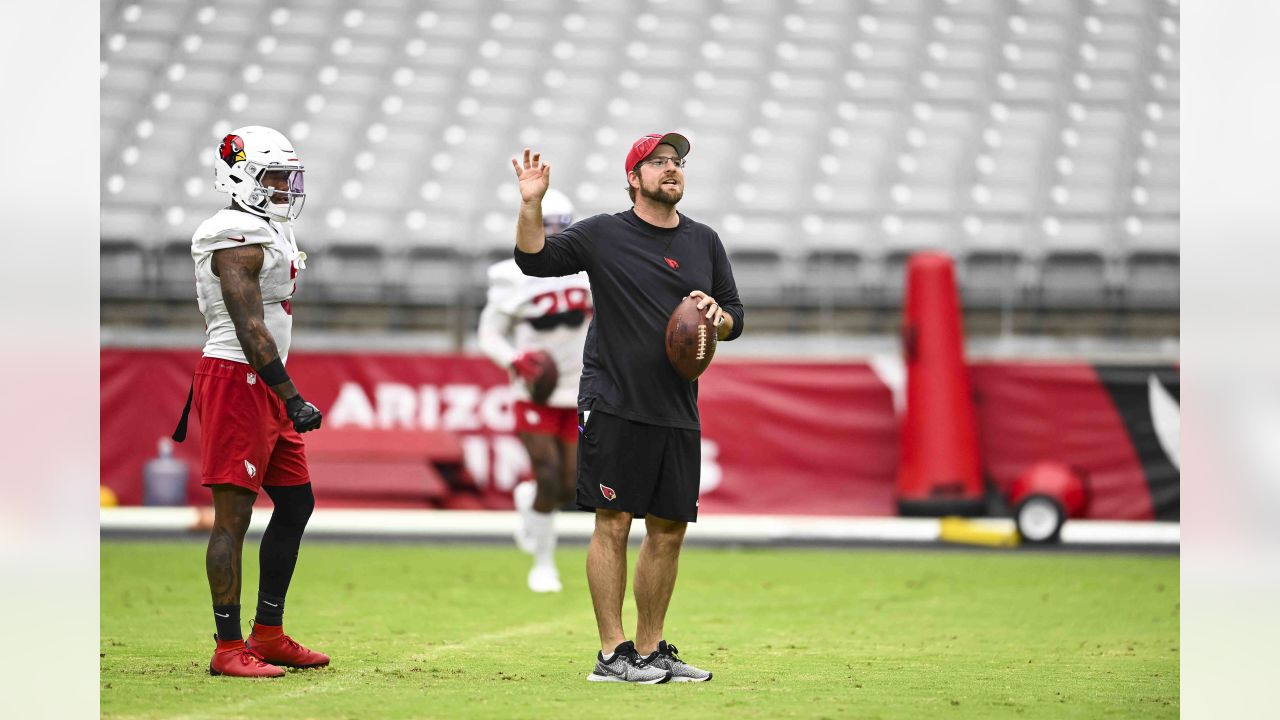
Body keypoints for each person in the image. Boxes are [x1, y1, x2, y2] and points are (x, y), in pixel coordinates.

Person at [510, 133, 744, 683]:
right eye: (658, 162)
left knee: (668, 529)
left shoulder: (704, 241)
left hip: (677, 406)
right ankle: (612, 654)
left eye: (677, 162)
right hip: (613, 401)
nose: (671, 169)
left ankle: (650, 647)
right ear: (633, 178)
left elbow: (734, 315)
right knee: (613, 521)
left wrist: (718, 317)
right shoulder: (604, 233)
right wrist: (531, 205)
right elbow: (533, 260)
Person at [173, 125, 328, 678]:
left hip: (263, 380)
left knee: (296, 502)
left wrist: (280, 391)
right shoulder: (232, 233)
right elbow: (249, 327)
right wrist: (293, 395)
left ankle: (268, 632)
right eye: (275, 177)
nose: (286, 187)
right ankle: (227, 645)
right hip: (238, 377)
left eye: (288, 177)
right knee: (232, 518)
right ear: (239, 177)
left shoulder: (264, 227)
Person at [478, 189, 592, 594]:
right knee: (546, 474)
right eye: (549, 225)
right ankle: (543, 565)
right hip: (536, 392)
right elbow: (489, 333)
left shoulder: (588, 268)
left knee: (569, 484)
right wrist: (514, 359)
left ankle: (530, 501)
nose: (556, 233)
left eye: (563, 225)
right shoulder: (511, 273)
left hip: (580, 388)